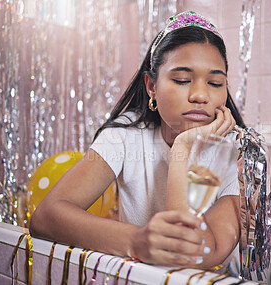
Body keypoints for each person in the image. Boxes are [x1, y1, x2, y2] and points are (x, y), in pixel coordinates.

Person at [29, 11, 246, 269]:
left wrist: (183, 147)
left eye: (214, 82)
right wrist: (137, 240)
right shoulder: (124, 135)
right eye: (182, 80)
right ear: (151, 86)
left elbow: (188, 259)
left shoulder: (241, 154)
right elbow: (44, 218)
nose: (200, 95)